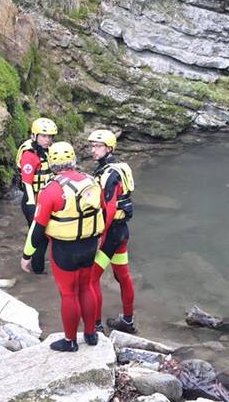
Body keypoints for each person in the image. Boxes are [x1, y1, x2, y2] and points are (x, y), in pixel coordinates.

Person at [21, 141, 104, 352]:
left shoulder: (51, 190)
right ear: (74, 160)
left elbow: (37, 228)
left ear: (51, 163)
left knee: (68, 294)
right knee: (86, 287)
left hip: (64, 249)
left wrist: (27, 254)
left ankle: (70, 341)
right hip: (89, 245)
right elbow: (102, 210)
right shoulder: (92, 182)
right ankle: (91, 334)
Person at [87, 130, 137, 334]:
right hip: (122, 232)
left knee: (91, 279)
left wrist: (100, 236)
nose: (93, 150)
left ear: (109, 148)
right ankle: (127, 320)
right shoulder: (119, 168)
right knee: (123, 276)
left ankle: (96, 326)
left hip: (111, 234)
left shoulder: (109, 174)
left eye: (98, 146)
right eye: (92, 146)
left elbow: (109, 209)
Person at [15, 117, 57, 274]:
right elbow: (27, 183)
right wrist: (33, 208)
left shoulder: (46, 151)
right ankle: (38, 270)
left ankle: (36, 266)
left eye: (50, 136)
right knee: (41, 238)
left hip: (45, 199)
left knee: (42, 237)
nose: (47, 140)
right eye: (44, 136)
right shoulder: (30, 155)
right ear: (35, 136)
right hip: (32, 200)